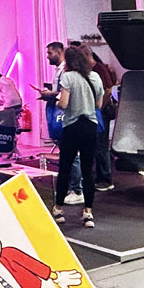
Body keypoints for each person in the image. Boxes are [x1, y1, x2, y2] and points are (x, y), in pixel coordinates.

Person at [51, 44, 104, 229]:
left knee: (65, 169)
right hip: (90, 127)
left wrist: (57, 102)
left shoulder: (67, 77)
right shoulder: (95, 76)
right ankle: (88, 213)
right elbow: (98, 105)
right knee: (88, 171)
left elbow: (64, 104)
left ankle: (59, 210)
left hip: (72, 127)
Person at [34, 41, 82, 204]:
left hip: (65, 116)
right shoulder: (60, 70)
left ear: (60, 52)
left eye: (50, 53)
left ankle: (77, 190)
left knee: (71, 153)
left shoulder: (67, 70)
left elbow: (65, 93)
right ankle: (73, 187)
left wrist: (50, 94)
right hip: (61, 115)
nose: (47, 57)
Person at [90, 50, 118, 192]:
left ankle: (105, 179)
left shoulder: (99, 69)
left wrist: (99, 108)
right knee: (98, 146)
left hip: (102, 113)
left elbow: (108, 90)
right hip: (98, 112)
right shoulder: (95, 69)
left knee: (101, 146)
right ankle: (101, 177)